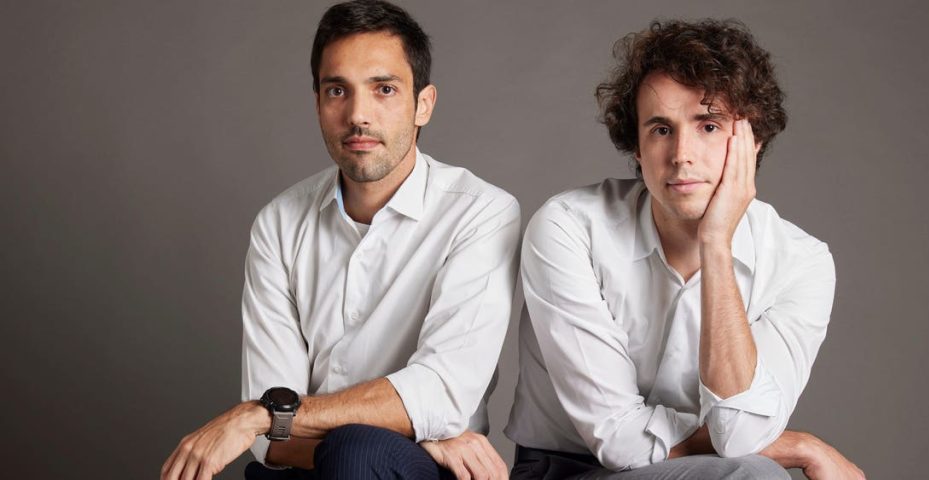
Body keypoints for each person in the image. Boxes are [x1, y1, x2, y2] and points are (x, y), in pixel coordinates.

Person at [161, 1, 519, 479]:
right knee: (342, 453)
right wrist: (416, 430)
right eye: (337, 91)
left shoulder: (480, 213)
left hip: (413, 474)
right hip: (309, 467)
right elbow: (270, 444)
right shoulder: (279, 223)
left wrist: (264, 415)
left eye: (384, 89)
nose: (358, 115)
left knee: (359, 453)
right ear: (318, 104)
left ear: (424, 104)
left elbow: (442, 393)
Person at [505, 19, 865, 479]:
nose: (681, 155)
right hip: (566, 470)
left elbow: (740, 435)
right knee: (754, 475)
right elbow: (618, 438)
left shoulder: (800, 262)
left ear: (753, 141)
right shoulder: (570, 227)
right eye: (661, 129)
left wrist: (716, 245)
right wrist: (797, 446)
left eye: (709, 126)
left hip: (710, 471)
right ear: (637, 147)